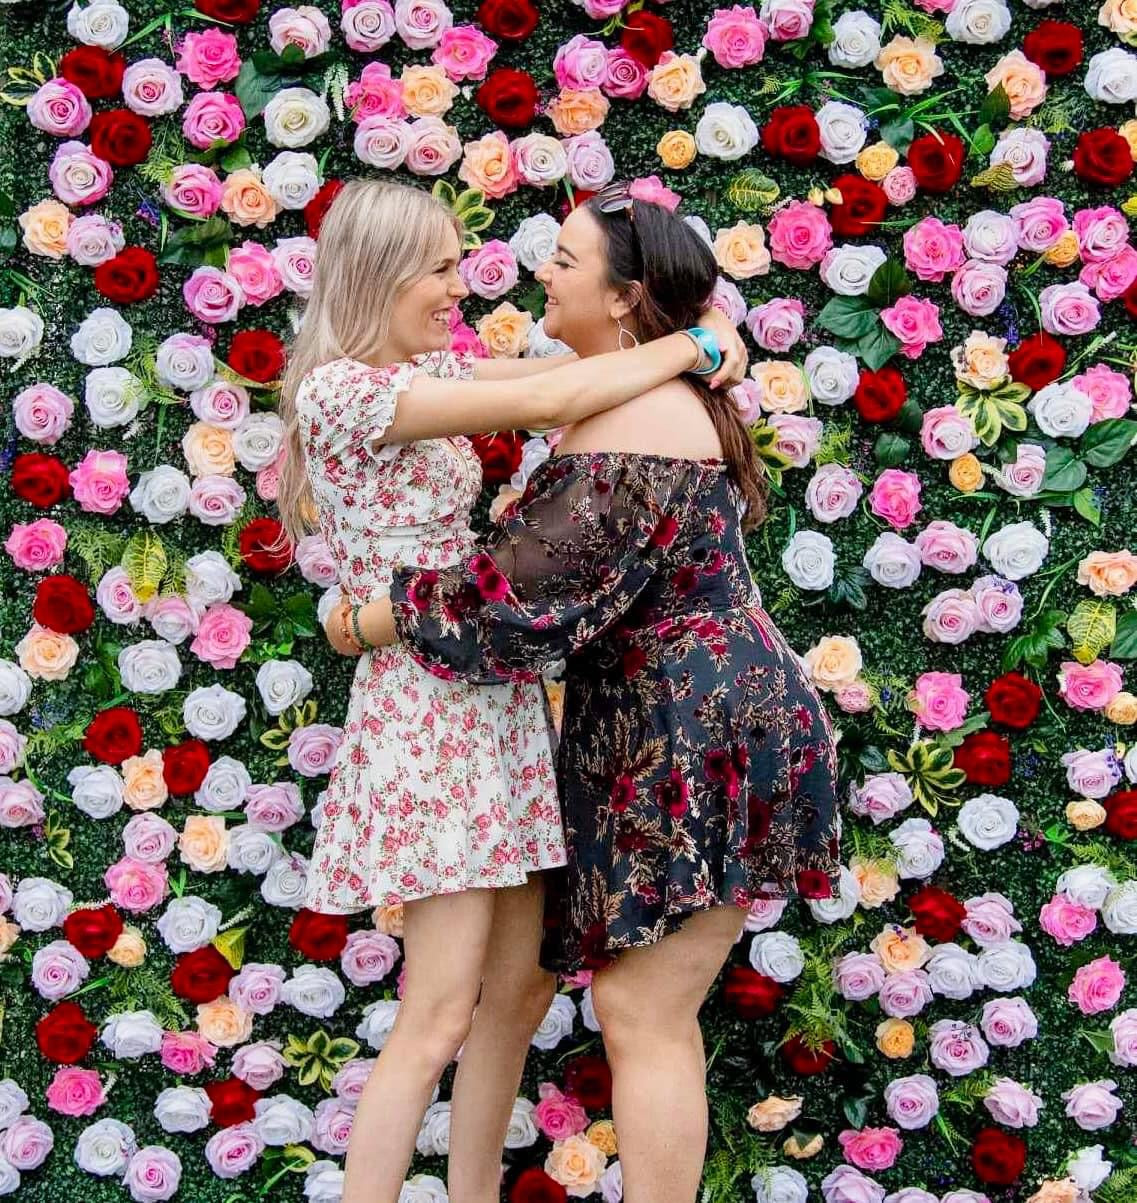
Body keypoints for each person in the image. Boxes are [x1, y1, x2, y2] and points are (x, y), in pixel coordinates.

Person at [327, 183, 843, 1203]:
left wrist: (363, 619)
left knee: (645, 1014)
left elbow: (518, 596)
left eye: (566, 260)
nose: (542, 273)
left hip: (696, 725)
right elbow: (530, 397)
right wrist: (705, 338)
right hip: (671, 721)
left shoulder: (641, 411)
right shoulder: (629, 387)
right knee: (616, 1004)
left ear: (622, 296)